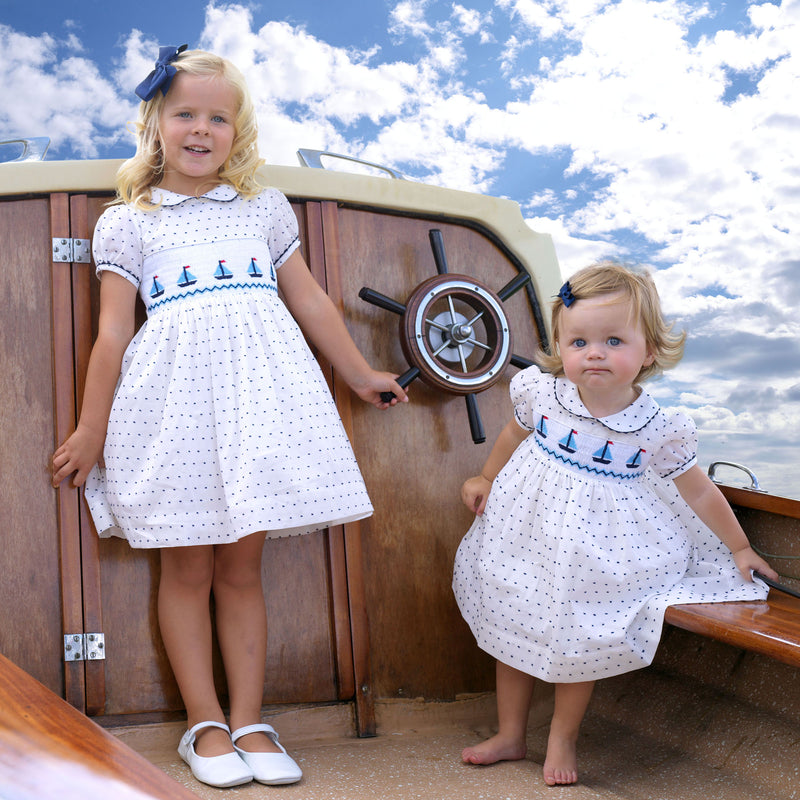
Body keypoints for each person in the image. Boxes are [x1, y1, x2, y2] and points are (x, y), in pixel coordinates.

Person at [51, 45, 407, 789]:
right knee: (186, 568)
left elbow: (307, 300)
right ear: (156, 123)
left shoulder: (262, 208)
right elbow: (111, 333)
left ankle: (251, 719)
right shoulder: (128, 222)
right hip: (175, 410)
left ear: (237, 131)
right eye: (185, 113)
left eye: (219, 116)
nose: (201, 129)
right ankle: (203, 723)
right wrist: (90, 430)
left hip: (258, 408)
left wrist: (361, 371)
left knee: (242, 569)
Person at [452, 262, 777, 787]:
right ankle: (510, 734)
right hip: (529, 535)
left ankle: (562, 737)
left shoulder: (655, 427)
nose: (594, 352)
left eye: (613, 340)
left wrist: (739, 547)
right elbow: (512, 437)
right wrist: (485, 477)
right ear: (560, 345)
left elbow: (697, 488)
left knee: (580, 638)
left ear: (649, 351)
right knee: (512, 624)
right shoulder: (543, 394)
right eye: (578, 341)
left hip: (599, 553)